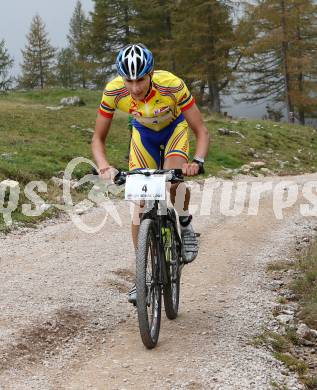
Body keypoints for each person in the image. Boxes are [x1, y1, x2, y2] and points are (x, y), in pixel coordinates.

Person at [92, 43, 210, 303]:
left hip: (174, 130)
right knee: (140, 206)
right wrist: (104, 167)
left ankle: (186, 223)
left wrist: (197, 161)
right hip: (143, 136)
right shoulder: (113, 91)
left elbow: (201, 130)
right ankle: (143, 275)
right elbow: (98, 138)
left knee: (172, 181)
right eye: (129, 80)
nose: (135, 88)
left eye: (141, 79)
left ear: (151, 73)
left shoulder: (172, 85)